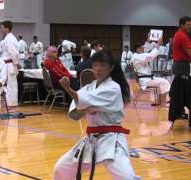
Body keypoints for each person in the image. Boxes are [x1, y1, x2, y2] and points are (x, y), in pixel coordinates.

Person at [54, 50, 140, 180]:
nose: (98, 69)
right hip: (92, 140)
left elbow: (83, 101)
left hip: (112, 139)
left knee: (127, 177)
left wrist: (68, 89)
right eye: (95, 65)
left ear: (111, 68)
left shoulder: (114, 88)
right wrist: (86, 108)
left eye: (102, 65)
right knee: (62, 168)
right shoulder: (90, 88)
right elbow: (75, 114)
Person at [153, 16, 191, 135]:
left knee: (182, 94)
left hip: (182, 66)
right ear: (182, 25)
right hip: (181, 67)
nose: (190, 26)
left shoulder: (181, 35)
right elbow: (189, 51)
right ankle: (176, 115)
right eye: (188, 24)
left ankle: (179, 113)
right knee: (182, 94)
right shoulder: (182, 35)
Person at [131, 39, 170, 107]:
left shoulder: (138, 55)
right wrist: (158, 45)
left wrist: (148, 40)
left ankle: (159, 101)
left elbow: (146, 50)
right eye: (142, 48)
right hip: (146, 81)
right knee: (164, 82)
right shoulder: (137, 57)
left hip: (147, 79)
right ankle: (162, 102)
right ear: (137, 49)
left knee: (162, 82)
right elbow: (150, 56)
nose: (144, 49)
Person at [0, 20, 20, 112]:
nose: (1, 29)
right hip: (6, 64)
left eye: (2, 27)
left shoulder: (10, 39)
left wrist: (16, 64)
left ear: (7, 28)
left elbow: (14, 53)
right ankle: (8, 103)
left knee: (12, 85)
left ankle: (12, 105)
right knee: (7, 85)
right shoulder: (6, 38)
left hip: (10, 64)